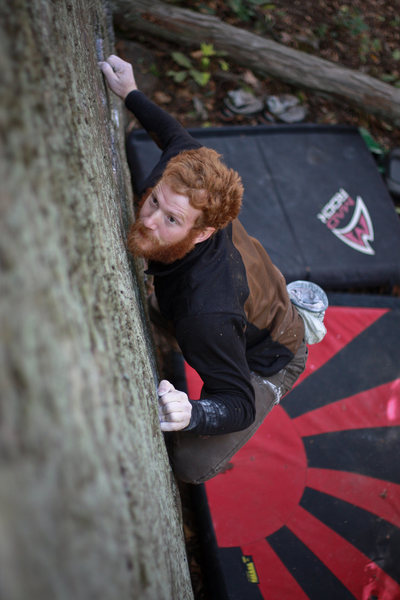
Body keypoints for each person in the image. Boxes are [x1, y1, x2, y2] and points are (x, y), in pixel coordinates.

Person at [99, 55, 308, 483]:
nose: (149, 219)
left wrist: (193, 412)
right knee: (162, 310)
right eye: (153, 200)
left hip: (269, 354)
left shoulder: (204, 310)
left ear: (202, 232)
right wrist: (131, 92)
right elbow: (175, 135)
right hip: (242, 294)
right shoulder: (180, 182)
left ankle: (292, 327)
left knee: (191, 466)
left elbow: (237, 402)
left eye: (171, 219)